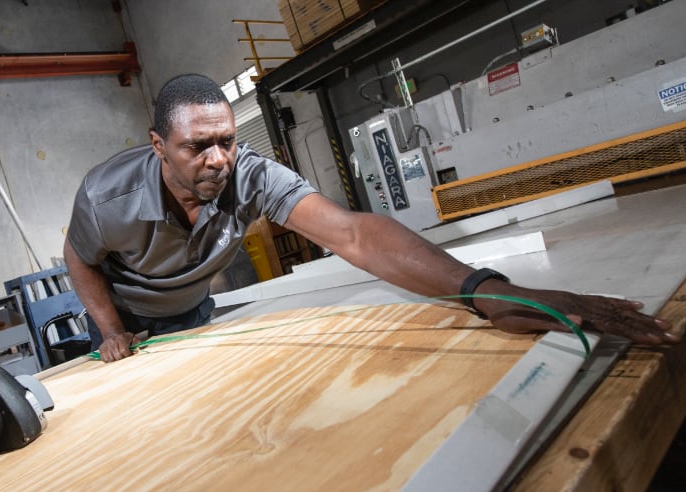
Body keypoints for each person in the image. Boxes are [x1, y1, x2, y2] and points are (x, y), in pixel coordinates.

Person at [63, 74, 678, 362]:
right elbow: (78, 258)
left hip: (195, 310)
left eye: (225, 139)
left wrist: (485, 291)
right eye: (198, 146)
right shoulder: (106, 198)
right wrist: (111, 328)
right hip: (128, 324)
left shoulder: (248, 175)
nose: (219, 158)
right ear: (158, 145)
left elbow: (354, 233)